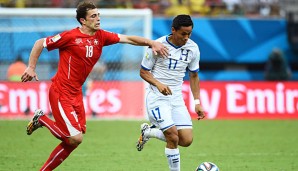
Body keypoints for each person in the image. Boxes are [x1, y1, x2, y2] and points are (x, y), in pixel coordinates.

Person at [21, 1, 168, 170]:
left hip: (76, 93)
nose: (98, 19)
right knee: (75, 138)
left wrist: (151, 43)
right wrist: (31, 67)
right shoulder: (70, 37)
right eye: (93, 16)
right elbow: (40, 43)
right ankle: (42, 119)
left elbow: (127, 38)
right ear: (83, 20)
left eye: (98, 15)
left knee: (72, 142)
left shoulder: (101, 36)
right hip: (61, 91)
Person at [135, 14, 205, 171]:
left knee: (186, 140)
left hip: (176, 98)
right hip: (156, 97)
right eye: (183, 34)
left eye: (189, 34)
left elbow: (193, 75)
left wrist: (197, 102)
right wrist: (158, 84)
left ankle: (149, 132)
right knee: (173, 136)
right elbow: (143, 72)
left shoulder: (193, 48)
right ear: (173, 30)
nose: (186, 37)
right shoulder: (157, 46)